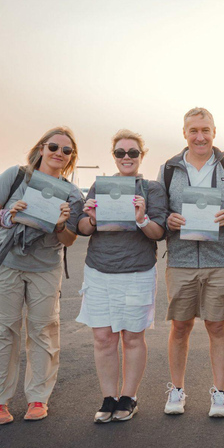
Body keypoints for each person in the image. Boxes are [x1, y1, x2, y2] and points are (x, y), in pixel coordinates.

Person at [0, 126, 84, 425]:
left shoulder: (71, 193)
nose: (59, 154)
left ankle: (38, 397)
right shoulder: (16, 176)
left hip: (45, 267)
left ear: (71, 157)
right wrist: (9, 213)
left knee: (43, 332)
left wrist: (63, 224)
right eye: (54, 147)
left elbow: (70, 240)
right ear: (41, 148)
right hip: (7, 263)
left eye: (66, 151)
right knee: (3, 331)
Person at [159, 108, 224, 418]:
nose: (200, 136)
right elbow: (157, 214)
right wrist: (168, 220)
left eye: (205, 130)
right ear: (184, 132)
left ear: (214, 132)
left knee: (216, 325)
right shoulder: (170, 169)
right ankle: (176, 390)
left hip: (218, 260)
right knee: (180, 327)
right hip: (181, 260)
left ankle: (220, 394)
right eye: (193, 130)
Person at [76, 129, 167, 423]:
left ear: (142, 155)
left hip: (137, 269)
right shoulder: (98, 186)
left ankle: (129, 396)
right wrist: (89, 216)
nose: (126, 158)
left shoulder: (152, 189)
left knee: (132, 337)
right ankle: (108, 397)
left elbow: (160, 233)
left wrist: (142, 219)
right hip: (99, 268)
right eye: (120, 153)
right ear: (113, 156)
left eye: (133, 152)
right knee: (103, 337)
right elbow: (84, 228)